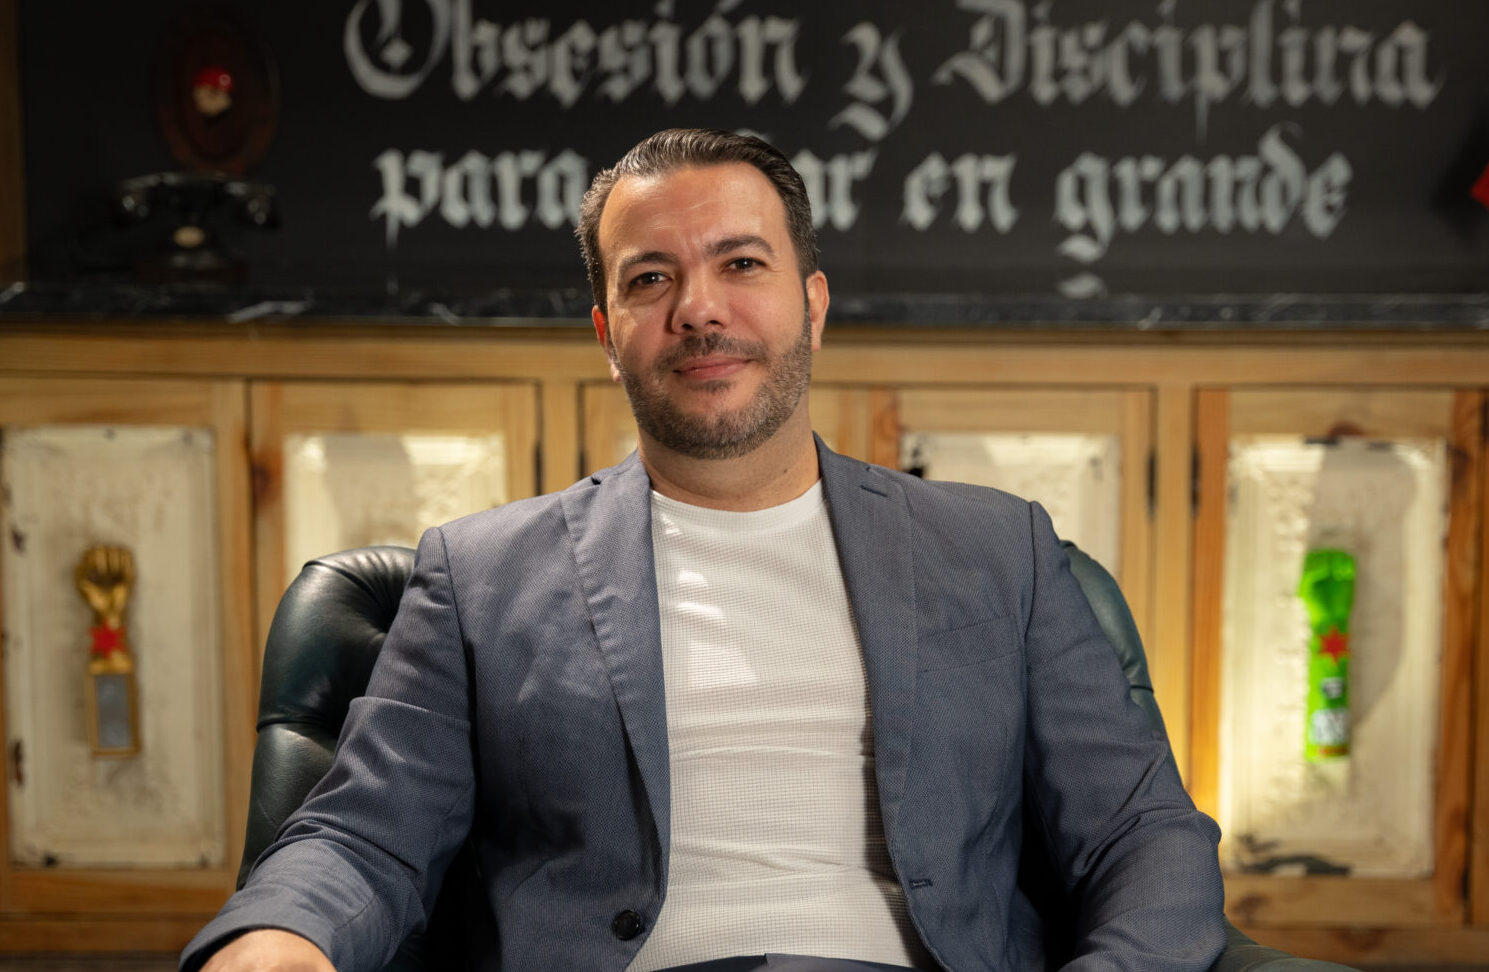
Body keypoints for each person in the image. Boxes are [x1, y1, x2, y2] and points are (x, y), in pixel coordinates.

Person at [184, 129, 1225, 972]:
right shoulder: (478, 577)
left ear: (811, 306)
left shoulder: (998, 551)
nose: (698, 309)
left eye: (741, 263)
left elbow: (1141, 835)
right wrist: (278, 940)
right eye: (651, 279)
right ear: (608, 334)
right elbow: (364, 835)